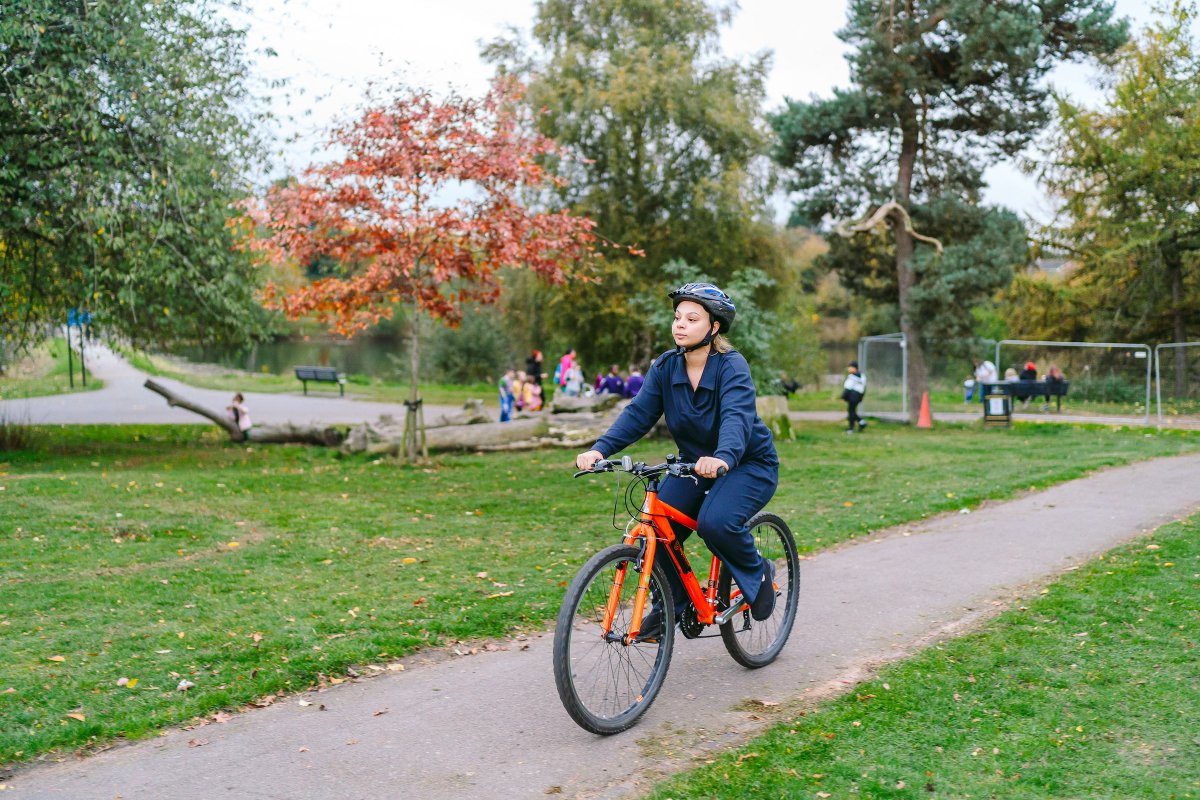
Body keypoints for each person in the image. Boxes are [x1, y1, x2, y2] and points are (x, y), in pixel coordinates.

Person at [576, 282, 780, 633]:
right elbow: (639, 413)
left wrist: (723, 457)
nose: (680, 324)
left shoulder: (731, 366)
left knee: (715, 523)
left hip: (746, 463)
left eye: (692, 318)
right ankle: (673, 603)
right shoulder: (666, 367)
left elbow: (736, 418)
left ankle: (759, 572)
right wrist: (600, 448)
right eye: (677, 317)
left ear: (713, 327)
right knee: (653, 530)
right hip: (692, 465)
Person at [841, 361, 866, 433]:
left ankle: (851, 428)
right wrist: (861, 397)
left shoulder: (851, 377)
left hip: (852, 396)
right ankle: (861, 422)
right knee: (852, 411)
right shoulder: (862, 376)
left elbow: (847, 388)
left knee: (851, 411)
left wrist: (843, 397)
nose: (849, 369)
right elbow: (863, 388)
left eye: (850, 367)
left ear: (855, 368)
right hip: (858, 396)